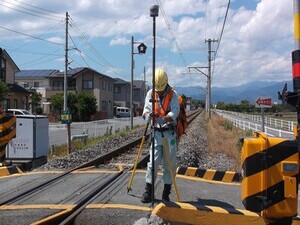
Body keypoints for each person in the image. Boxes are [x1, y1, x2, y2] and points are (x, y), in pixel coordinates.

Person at [141, 68, 180, 203]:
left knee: (169, 164)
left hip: (169, 134)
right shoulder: (150, 93)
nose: (159, 91)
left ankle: (166, 193)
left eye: (161, 89)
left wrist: (166, 118)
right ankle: (148, 191)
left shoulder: (173, 94)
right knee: (153, 163)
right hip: (156, 133)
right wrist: (148, 115)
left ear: (166, 84)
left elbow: (175, 111)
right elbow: (145, 110)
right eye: (157, 89)